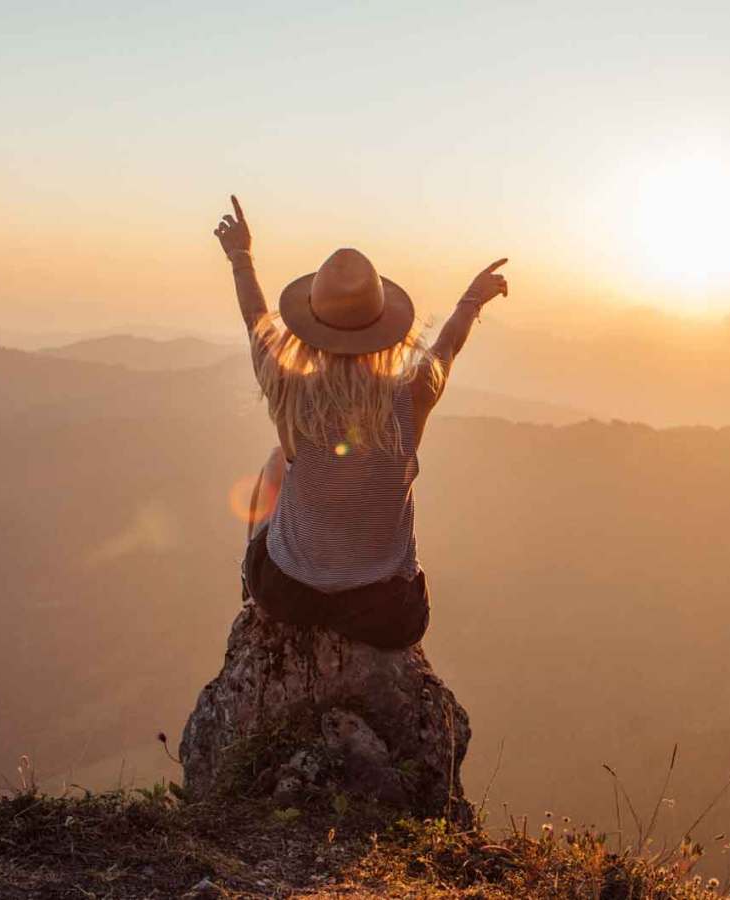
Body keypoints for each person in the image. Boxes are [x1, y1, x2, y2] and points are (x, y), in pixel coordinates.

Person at [213, 195, 509, 650]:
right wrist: (472, 299)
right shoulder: (414, 394)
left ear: (309, 327)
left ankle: (248, 589)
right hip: (384, 612)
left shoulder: (291, 392)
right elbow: (448, 344)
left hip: (287, 594)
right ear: (385, 326)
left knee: (276, 461)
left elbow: (257, 323)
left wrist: (240, 257)